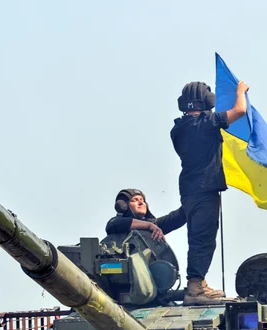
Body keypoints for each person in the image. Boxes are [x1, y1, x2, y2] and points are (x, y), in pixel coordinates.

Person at [170, 80, 249, 305]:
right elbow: (239, 111)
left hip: (188, 190)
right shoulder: (207, 122)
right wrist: (240, 91)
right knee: (203, 239)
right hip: (205, 190)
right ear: (207, 101)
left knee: (196, 236)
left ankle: (198, 283)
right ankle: (195, 287)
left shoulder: (177, 129)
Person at [105, 188, 186, 241]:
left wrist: (193, 200)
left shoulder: (155, 226)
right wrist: (148, 226)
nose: (141, 203)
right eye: (135, 200)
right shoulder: (115, 223)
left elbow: (178, 217)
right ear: (124, 205)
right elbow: (115, 224)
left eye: (142, 200)